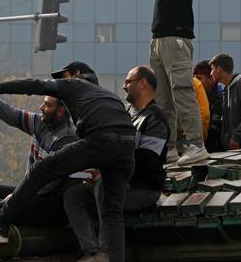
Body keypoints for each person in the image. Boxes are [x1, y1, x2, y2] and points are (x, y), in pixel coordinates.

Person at [0, 66, 135, 262]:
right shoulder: (105, 96)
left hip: (102, 140)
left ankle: (0, 224)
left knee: (40, 170)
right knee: (112, 213)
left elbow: (34, 85)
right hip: (126, 147)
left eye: (62, 78)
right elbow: (12, 115)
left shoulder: (74, 85)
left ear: (75, 75)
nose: (59, 84)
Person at [100, 0, 208, 165]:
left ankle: (195, 145)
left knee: (182, 90)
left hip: (178, 40)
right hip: (157, 41)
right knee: (162, 98)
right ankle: (169, 147)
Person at [64, 66, 170, 262]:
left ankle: (107, 254)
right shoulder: (127, 113)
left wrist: (106, 172)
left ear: (143, 83)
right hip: (117, 181)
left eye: (128, 82)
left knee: (106, 188)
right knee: (73, 195)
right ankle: (92, 251)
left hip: (143, 188)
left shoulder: (154, 118)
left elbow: (146, 162)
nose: (123, 86)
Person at [0, 66, 79, 227]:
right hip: (30, 192)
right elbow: (9, 114)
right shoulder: (40, 123)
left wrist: (17, 196)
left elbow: (48, 183)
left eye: (47, 105)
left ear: (61, 112)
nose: (41, 108)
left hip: (50, 203)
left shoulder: (68, 138)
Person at [210, 53, 241, 150]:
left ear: (218, 69)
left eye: (212, 69)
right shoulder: (227, 89)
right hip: (234, 149)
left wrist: (237, 136)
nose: (211, 73)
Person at [195, 60, 225, 153]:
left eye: (199, 79)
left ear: (210, 80)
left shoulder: (220, 99)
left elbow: (214, 130)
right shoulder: (196, 99)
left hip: (215, 152)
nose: (196, 82)